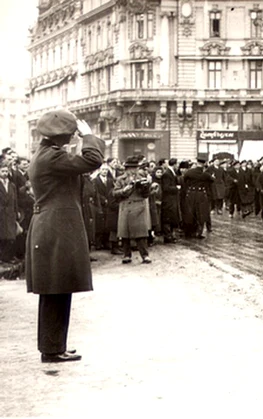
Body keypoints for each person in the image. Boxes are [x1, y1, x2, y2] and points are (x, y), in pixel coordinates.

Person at [25, 109, 104, 363]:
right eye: (70, 133)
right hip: (56, 228)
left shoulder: (46, 155)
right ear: (61, 136)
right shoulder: (52, 157)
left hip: (53, 226)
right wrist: (89, 136)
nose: (73, 137)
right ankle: (51, 349)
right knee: (55, 290)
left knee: (58, 289)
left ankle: (55, 345)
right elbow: (92, 160)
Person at [112, 156, 152, 264]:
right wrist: (124, 190)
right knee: (125, 233)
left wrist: (145, 187)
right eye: (131, 168)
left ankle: (145, 255)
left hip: (139, 206)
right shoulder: (120, 179)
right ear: (126, 169)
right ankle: (126, 255)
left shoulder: (142, 177)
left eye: (135, 168)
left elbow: (146, 195)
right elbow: (115, 193)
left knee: (141, 234)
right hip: (126, 206)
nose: (133, 170)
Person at [182, 158, 214, 239]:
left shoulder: (190, 172)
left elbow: (184, 179)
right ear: (204, 164)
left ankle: (188, 232)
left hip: (191, 194)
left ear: (196, 163)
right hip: (201, 195)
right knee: (201, 213)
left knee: (190, 212)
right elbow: (212, 180)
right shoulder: (205, 174)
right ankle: (198, 232)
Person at [0, 161, 19, 263]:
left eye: (6, 171)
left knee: (10, 236)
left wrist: (16, 211)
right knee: (2, 235)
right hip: (1, 213)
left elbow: (15, 200)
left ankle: (8, 257)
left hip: (10, 213)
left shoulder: (12, 185)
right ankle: (2, 257)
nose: (5, 173)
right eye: (2, 171)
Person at [161, 158, 181, 243]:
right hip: (168, 199)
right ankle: (167, 236)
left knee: (172, 217)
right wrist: (176, 188)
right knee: (168, 218)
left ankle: (170, 235)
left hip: (172, 199)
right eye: (177, 164)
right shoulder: (167, 174)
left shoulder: (172, 172)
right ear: (175, 164)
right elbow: (166, 188)